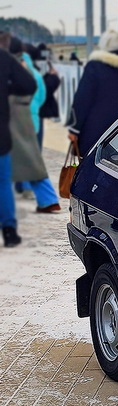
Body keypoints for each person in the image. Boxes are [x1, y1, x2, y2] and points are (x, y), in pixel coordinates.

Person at [68, 29, 118, 156]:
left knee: (90, 165)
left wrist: (74, 129)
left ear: (104, 45)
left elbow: (82, 99)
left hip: (93, 135)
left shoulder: (95, 66)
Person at [7, 37, 60, 215]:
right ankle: (46, 198)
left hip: (14, 117)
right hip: (31, 118)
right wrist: (33, 108)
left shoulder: (11, 70)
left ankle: (38, 194)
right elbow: (42, 94)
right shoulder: (35, 74)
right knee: (29, 156)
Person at [0, 32, 38, 247]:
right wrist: (7, 88)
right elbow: (29, 85)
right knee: (3, 184)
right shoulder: (4, 58)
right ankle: (9, 231)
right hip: (1, 136)